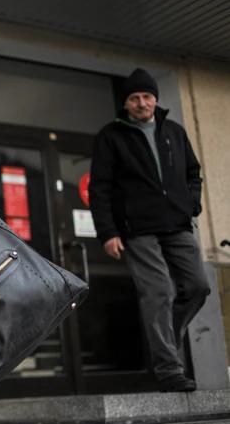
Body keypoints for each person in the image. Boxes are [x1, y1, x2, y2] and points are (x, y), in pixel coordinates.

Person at [89, 67, 210, 393]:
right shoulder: (111, 136)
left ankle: (165, 336)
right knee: (158, 291)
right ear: (125, 103)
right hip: (136, 228)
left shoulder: (173, 131)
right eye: (134, 98)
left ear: (155, 99)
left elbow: (193, 172)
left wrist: (192, 204)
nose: (141, 103)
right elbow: (100, 188)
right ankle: (169, 370)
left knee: (198, 286)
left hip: (177, 223)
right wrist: (108, 232)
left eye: (146, 96)